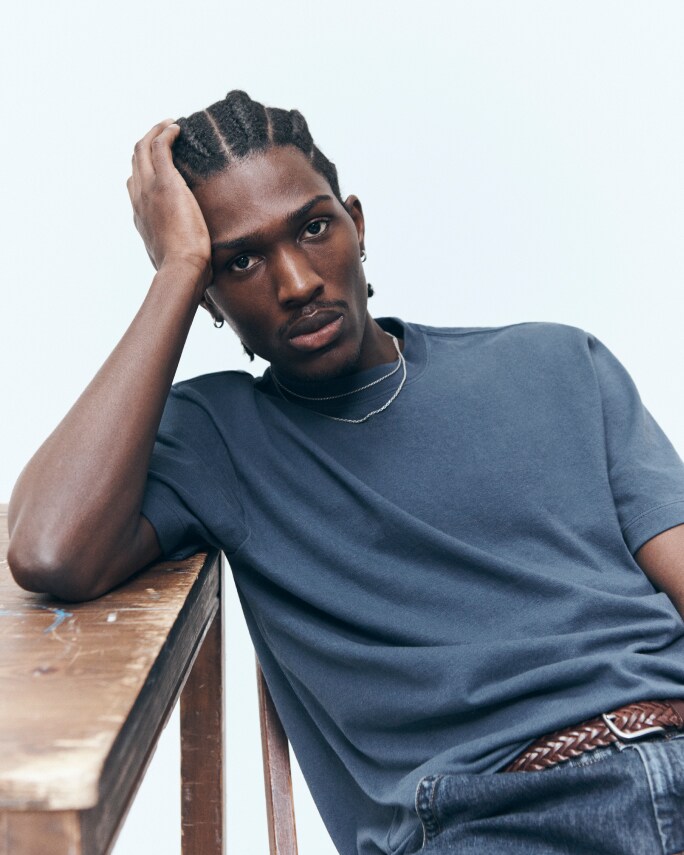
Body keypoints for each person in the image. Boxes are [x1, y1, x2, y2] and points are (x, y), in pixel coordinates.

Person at [7, 90, 684, 855]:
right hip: (496, 818)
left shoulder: (557, 362)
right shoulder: (220, 438)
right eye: (239, 260)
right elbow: (49, 548)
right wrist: (177, 269)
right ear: (209, 300)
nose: (297, 282)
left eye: (314, 227)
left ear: (357, 225)